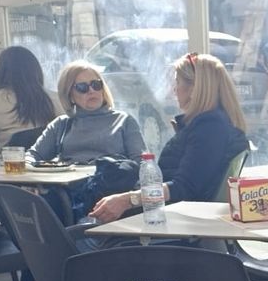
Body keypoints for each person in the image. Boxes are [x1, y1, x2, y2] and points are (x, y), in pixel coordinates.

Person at [88, 51, 248, 222]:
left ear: (194, 89)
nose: (174, 90)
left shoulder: (209, 127)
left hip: (173, 225)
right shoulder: (213, 125)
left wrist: (127, 200)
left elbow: (184, 188)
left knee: (75, 234)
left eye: (177, 82)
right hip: (172, 220)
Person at [29, 61, 146, 164]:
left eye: (96, 85)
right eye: (82, 87)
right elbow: (32, 156)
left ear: (103, 88)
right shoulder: (61, 124)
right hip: (69, 187)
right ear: (70, 96)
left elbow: (142, 163)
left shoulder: (124, 121)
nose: (91, 91)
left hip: (112, 186)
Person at [0, 46, 62, 156]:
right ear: (36, 71)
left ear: (0, 72)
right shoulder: (57, 99)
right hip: (53, 169)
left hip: (10, 169)